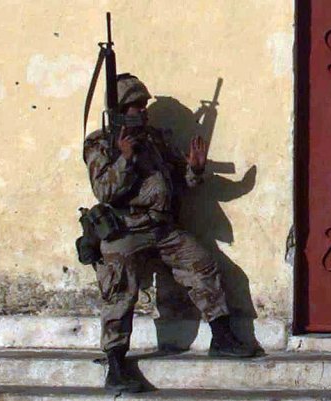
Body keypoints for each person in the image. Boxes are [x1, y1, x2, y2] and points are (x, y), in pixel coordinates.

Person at [84, 74, 257, 393]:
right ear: (119, 109)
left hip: (162, 227)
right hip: (126, 229)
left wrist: (195, 168)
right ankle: (116, 361)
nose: (142, 110)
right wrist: (125, 158)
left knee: (202, 262)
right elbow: (104, 191)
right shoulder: (100, 143)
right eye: (135, 105)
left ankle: (222, 337)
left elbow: (183, 181)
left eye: (143, 104)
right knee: (119, 287)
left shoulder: (154, 139)